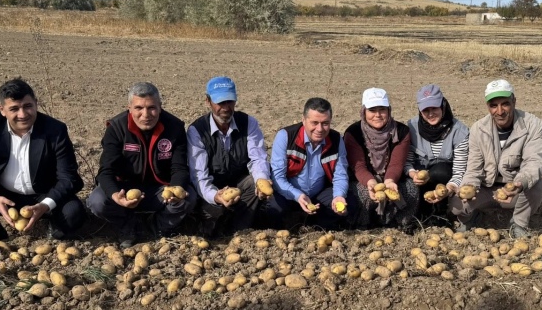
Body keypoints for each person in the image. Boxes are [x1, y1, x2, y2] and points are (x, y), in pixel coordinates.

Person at [0, 78, 84, 242]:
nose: (23, 114)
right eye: (14, 109)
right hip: (3, 196)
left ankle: (53, 235)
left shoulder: (55, 130)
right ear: (2, 110)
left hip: (41, 195)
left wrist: (46, 204)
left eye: (28, 106)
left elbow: (68, 178)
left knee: (73, 212)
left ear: (36, 103)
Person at [87, 82, 196, 246]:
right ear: (129, 108)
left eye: (152, 107)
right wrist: (116, 195)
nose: (146, 114)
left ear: (160, 107)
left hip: (160, 190)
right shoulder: (116, 128)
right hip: (125, 189)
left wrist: (175, 189)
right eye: (139, 108)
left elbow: (179, 168)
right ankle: (128, 226)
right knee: (97, 201)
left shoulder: (174, 127)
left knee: (189, 197)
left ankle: (159, 227)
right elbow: (106, 171)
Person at [453, 79, 542, 238]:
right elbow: (473, 167)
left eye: (505, 104)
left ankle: (518, 224)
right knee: (455, 204)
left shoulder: (533, 125)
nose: (500, 111)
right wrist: (469, 186)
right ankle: (472, 217)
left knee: (537, 185)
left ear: (514, 102)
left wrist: (518, 184)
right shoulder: (478, 129)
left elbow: (534, 162)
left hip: (515, 192)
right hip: (486, 189)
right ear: (487, 107)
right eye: (493, 105)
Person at [187, 76, 272, 237]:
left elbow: (258, 158)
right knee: (212, 220)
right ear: (208, 101)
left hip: (239, 184)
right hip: (213, 188)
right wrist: (215, 196)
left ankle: (240, 233)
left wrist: (261, 180)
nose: (226, 108)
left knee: (256, 180)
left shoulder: (248, 123)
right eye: (220, 102)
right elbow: (199, 175)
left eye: (230, 101)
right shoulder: (197, 130)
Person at [265, 97, 350, 230]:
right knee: (273, 208)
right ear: (304, 120)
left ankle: (317, 227)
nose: (320, 129)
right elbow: (277, 177)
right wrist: (298, 196)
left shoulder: (336, 139)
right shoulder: (286, 137)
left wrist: (339, 196)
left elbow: (340, 175)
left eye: (325, 123)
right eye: (314, 122)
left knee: (347, 202)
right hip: (289, 194)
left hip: (319, 193)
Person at [343, 88, 417, 230]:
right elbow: (358, 167)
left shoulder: (401, 132)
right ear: (364, 111)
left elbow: (396, 163)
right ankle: (363, 225)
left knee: (410, 190)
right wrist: (371, 183)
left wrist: (389, 181)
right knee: (363, 194)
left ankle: (400, 224)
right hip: (363, 178)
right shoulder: (353, 133)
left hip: (391, 177)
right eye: (372, 110)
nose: (377, 115)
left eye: (382, 109)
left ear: (389, 110)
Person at [405, 84, 470, 225]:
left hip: (446, 182)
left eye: (434, 108)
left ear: (443, 105)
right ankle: (417, 215)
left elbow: (460, 171)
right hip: (419, 184)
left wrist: (448, 189)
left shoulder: (460, 132)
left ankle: (441, 213)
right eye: (425, 110)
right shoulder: (410, 128)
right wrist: (412, 174)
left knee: (439, 171)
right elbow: (407, 162)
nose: (430, 114)